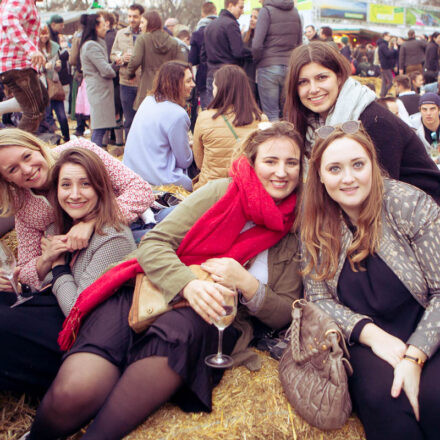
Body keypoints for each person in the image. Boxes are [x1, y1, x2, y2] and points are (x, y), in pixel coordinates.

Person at [25, 121, 303, 440]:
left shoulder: (293, 230)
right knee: (74, 391)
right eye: (271, 161)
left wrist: (248, 284)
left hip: (208, 317)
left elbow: (285, 312)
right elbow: (154, 244)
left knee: (159, 358)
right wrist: (188, 283)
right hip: (148, 290)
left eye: (291, 162)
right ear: (253, 162)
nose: (281, 172)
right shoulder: (221, 192)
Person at [300, 121, 440, 440]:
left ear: (373, 167)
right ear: (320, 176)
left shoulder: (408, 204)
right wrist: (372, 336)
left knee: (434, 399)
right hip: (365, 337)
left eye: (358, 165)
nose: (348, 178)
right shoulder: (315, 221)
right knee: (384, 398)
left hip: (428, 324)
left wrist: (415, 356)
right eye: (334, 169)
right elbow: (318, 299)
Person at [0, 137, 146, 395]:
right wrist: (47, 261)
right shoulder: (27, 206)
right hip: (68, 271)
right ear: (7, 180)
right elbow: (30, 270)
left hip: (120, 233)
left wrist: (95, 223)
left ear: (36, 146)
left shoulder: (78, 154)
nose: (26, 169)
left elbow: (141, 191)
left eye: (26, 156)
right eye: (12, 169)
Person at [283, 41, 440, 204]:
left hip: (422, 214)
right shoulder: (312, 125)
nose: (313, 89)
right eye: (303, 82)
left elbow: (378, 198)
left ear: (338, 77)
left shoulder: (373, 121)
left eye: (321, 77)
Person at [193, 64, 267, 190]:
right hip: (245, 190)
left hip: (209, 190)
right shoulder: (261, 119)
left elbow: (199, 162)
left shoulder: (204, 118)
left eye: (214, 86)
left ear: (220, 89)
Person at [123, 61, 194, 191]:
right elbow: (185, 161)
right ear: (176, 84)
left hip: (132, 173)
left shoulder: (148, 101)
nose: (193, 84)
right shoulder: (178, 114)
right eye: (188, 81)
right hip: (161, 179)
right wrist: (192, 147)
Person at [0, 0, 48, 133]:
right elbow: (9, 21)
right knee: (33, 113)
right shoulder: (22, 1)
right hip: (18, 66)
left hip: (20, 65)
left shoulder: (28, 3)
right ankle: (16, 148)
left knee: (42, 100)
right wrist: (31, 50)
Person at [251, 0, 302, 122]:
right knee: (289, 112)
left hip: (268, 65)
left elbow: (256, 45)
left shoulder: (266, 11)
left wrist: (258, 60)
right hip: (290, 65)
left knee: (271, 114)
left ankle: (276, 141)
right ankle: (292, 139)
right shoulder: (295, 11)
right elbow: (299, 42)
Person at [127, 10, 182, 111]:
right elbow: (181, 65)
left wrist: (130, 74)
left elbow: (135, 60)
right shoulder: (173, 42)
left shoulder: (142, 39)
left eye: (143, 22)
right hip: (168, 89)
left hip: (147, 89)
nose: (140, 26)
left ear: (150, 23)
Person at [203, 0, 252, 103]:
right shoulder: (231, 24)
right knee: (231, 112)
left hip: (211, 74)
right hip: (229, 76)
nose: (242, 11)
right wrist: (253, 53)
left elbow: (203, 55)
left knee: (213, 111)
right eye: (241, 7)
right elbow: (238, 52)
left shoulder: (209, 26)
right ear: (230, 6)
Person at [79, 13, 116, 148]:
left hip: (101, 91)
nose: (106, 27)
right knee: (99, 129)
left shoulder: (94, 44)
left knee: (100, 128)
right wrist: (114, 68)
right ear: (95, 26)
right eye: (102, 23)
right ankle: (95, 158)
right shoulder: (91, 46)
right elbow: (105, 70)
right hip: (100, 91)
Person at [110, 3, 144, 138]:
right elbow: (113, 55)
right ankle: (129, 152)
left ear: (141, 17)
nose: (131, 19)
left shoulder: (146, 34)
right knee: (129, 120)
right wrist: (121, 58)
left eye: (135, 16)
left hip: (143, 83)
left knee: (143, 120)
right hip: (126, 82)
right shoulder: (120, 34)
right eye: (129, 16)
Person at [39, 26, 70, 143]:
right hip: (42, 86)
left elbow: (59, 67)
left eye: (45, 34)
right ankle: (52, 140)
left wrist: (57, 65)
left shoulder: (54, 47)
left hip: (54, 84)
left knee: (62, 116)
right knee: (47, 116)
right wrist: (43, 67)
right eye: (41, 34)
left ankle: (67, 139)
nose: (44, 37)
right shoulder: (34, 49)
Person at [189, 2, 218, 111]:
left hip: (204, 75)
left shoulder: (198, 33)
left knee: (208, 111)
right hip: (225, 74)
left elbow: (192, 59)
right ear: (215, 12)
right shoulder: (224, 28)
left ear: (202, 14)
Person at [377, 32, 398, 98]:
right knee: (391, 81)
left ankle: (382, 95)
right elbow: (387, 54)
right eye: (388, 36)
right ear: (385, 36)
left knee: (384, 81)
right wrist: (394, 50)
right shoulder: (383, 45)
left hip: (384, 65)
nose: (389, 37)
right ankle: (383, 94)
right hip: (386, 66)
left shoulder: (382, 45)